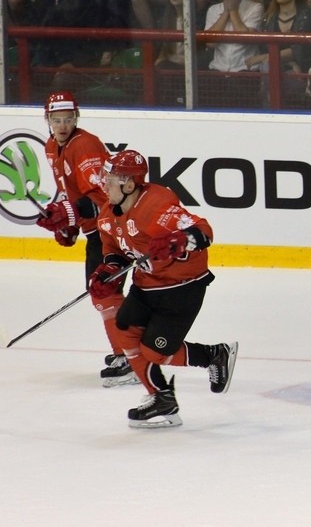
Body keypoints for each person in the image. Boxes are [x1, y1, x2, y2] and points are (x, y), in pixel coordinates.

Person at [89, 149, 238, 428]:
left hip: (182, 287)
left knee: (156, 352)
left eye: (109, 180)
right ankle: (161, 399)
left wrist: (177, 241)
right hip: (146, 285)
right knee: (125, 331)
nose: (103, 184)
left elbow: (203, 231)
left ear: (129, 184)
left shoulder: (156, 205)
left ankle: (215, 355)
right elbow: (114, 251)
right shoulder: (108, 214)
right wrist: (108, 270)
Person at [32, 92, 136, 387]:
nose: (62, 125)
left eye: (68, 119)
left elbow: (103, 196)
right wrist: (68, 225)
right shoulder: (52, 146)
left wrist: (67, 212)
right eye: (56, 120)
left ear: (76, 118)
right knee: (102, 291)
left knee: (105, 291)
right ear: (48, 120)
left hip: (112, 230)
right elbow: (73, 195)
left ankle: (130, 356)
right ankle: (126, 351)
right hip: (97, 231)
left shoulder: (85, 145)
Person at [26, 0, 101, 69]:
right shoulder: (38, 5)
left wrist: (75, 63)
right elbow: (30, 41)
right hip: (43, 65)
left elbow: (93, 43)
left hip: (74, 65)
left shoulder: (84, 3)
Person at [203, 0, 264, 73]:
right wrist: (226, 12)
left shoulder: (255, 7)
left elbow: (245, 39)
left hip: (245, 70)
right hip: (218, 69)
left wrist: (233, 10)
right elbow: (210, 43)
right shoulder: (213, 10)